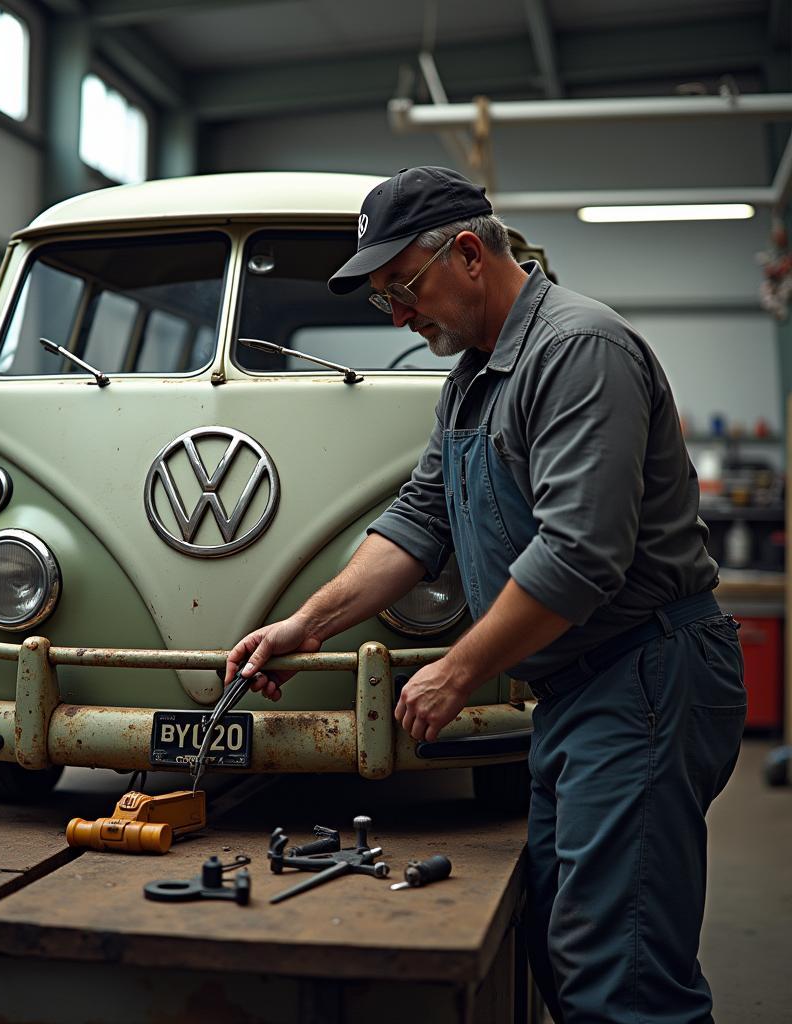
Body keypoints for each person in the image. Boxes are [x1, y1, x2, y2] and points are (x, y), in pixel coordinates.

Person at [225, 166, 746, 1023]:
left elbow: (580, 557)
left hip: (645, 677)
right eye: (382, 300)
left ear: (468, 252)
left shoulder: (579, 351)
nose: (397, 316)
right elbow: (417, 524)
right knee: (561, 939)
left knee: (625, 980)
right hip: (582, 688)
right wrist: (303, 626)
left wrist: (456, 671)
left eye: (403, 288)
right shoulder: (471, 378)